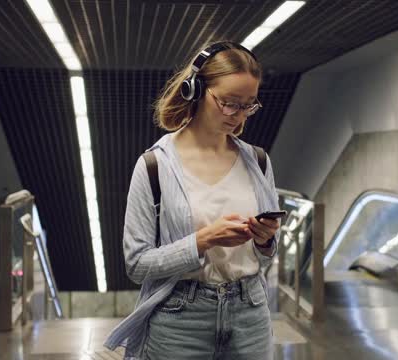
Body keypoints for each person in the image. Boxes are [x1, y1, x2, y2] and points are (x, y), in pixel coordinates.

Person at [104, 41, 281, 360]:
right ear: (195, 91)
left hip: (250, 313)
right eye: (229, 103)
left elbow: (265, 258)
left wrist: (265, 241)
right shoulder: (154, 167)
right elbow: (137, 264)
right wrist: (202, 241)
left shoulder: (259, 162)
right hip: (179, 319)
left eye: (248, 105)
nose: (238, 115)